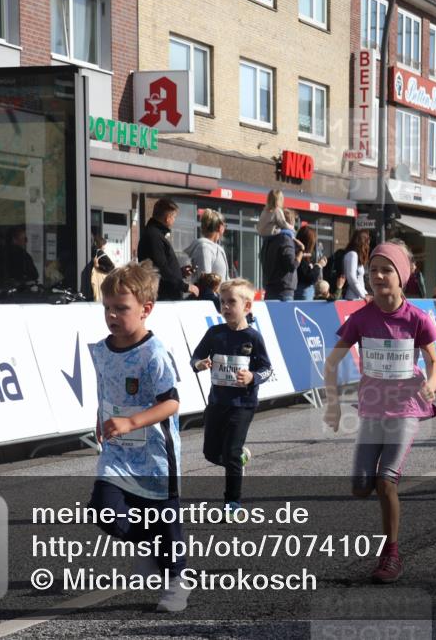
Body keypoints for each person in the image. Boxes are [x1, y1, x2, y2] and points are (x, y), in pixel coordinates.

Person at [323, 240, 436, 584]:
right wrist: (332, 405)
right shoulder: (361, 319)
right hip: (372, 411)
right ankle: (385, 530)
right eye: (373, 269)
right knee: (361, 487)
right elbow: (332, 363)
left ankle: (391, 553)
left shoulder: (417, 319)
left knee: (385, 481)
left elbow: (434, 362)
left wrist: (431, 383)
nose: (377, 275)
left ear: (401, 276)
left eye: (386, 269)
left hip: (405, 410)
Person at [87, 261, 190, 612]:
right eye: (107, 308)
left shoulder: (154, 353)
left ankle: (176, 581)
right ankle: (148, 547)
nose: (112, 316)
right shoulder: (102, 351)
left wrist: (132, 422)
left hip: (156, 456)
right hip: (117, 453)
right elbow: (106, 394)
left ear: (146, 309)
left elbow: (172, 403)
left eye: (121, 308)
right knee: (105, 512)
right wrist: (101, 422)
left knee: (165, 521)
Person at [190, 279, 273, 514]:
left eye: (231, 302)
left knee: (231, 452)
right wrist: (199, 363)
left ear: (247, 306)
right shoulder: (215, 333)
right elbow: (195, 356)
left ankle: (232, 502)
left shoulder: (253, 338)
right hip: (217, 401)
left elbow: (267, 368)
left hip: (242, 404)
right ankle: (239, 459)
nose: (225, 307)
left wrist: (252, 377)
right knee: (210, 453)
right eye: (222, 302)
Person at [137, 198, 199, 300]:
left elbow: (161, 265)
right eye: (174, 217)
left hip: (164, 295)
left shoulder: (154, 234)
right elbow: (160, 269)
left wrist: (180, 272)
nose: (174, 221)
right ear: (168, 218)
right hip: (164, 297)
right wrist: (185, 286)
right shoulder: (154, 237)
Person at [261, 209, 303, 301]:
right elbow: (292, 265)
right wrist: (301, 251)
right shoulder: (286, 238)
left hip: (270, 288)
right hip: (284, 291)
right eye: (294, 222)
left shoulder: (268, 239)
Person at [185, 209, 229, 280]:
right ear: (220, 227)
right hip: (211, 291)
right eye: (225, 226)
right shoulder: (204, 248)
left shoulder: (217, 248)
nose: (225, 229)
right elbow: (206, 280)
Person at [81, 231, 116, 301]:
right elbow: (111, 266)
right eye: (104, 245)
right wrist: (99, 267)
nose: (104, 247)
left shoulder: (93, 252)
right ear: (101, 244)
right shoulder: (100, 253)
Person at [295, 225, 327, 301]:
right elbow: (309, 278)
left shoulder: (299, 254)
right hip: (302, 293)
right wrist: (319, 265)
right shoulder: (300, 255)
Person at [342, 229, 371, 300]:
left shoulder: (355, 255)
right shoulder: (352, 254)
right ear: (363, 241)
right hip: (352, 298)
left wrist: (365, 293)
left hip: (357, 296)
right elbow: (351, 278)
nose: (369, 243)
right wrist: (364, 295)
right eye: (368, 240)